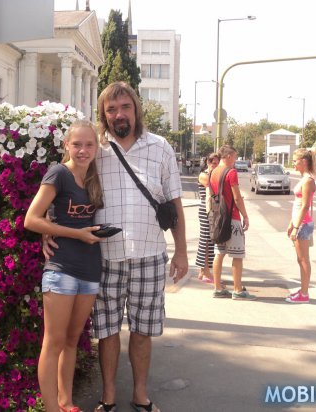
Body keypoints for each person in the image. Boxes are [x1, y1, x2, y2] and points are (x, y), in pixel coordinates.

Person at [46, 82, 188, 412]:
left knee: (142, 330)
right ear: (103, 114)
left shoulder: (160, 147)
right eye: (111, 110)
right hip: (105, 256)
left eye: (125, 107)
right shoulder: (95, 148)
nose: (119, 114)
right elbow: (67, 185)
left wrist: (181, 251)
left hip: (150, 254)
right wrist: (48, 227)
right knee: (107, 331)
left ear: (136, 109)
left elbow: (174, 202)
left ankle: (140, 394)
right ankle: (108, 397)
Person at [24, 119, 104, 412]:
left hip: (90, 270)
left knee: (72, 340)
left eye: (89, 144)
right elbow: (31, 219)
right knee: (53, 342)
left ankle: (66, 402)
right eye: (77, 144)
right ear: (66, 145)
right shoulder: (59, 173)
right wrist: (75, 233)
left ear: (96, 147)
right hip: (62, 270)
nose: (83, 150)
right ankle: (50, 408)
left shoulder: (94, 177)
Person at [210, 145, 256, 300]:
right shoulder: (231, 172)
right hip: (232, 218)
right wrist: (245, 216)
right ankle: (237, 290)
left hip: (218, 219)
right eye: (235, 156)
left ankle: (217, 288)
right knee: (237, 255)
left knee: (219, 253)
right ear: (228, 156)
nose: (236, 160)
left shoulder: (213, 172)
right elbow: (237, 198)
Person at [286, 148, 316, 304]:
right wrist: (291, 223)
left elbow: (305, 206)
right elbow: (297, 205)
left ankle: (304, 294)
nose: (293, 163)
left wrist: (296, 227)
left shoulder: (308, 180)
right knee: (301, 259)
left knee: (303, 259)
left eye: (295, 160)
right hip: (300, 223)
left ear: (303, 162)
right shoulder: (304, 179)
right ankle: (303, 290)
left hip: (303, 224)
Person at [195, 153, 219, 283]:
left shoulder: (214, 174)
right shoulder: (203, 175)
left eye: (217, 163)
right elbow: (214, 187)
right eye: (213, 163)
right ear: (207, 163)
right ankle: (205, 271)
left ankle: (204, 271)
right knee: (205, 240)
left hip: (213, 210)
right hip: (206, 210)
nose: (215, 165)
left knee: (210, 241)